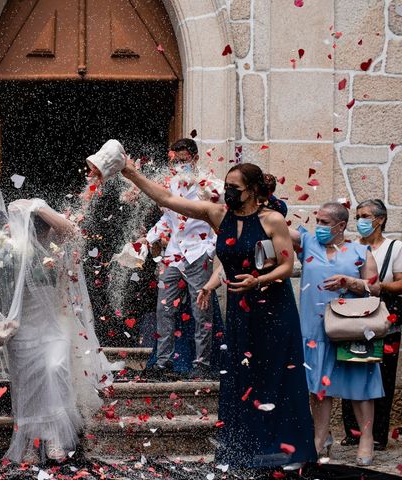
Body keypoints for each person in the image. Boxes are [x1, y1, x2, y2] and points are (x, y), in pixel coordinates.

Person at [121, 160, 315, 469]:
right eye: (225, 187)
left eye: (234, 188)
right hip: (240, 310)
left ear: (251, 192)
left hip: (273, 308)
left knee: (275, 375)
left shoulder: (273, 220)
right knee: (242, 377)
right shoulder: (217, 215)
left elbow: (285, 266)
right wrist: (131, 174)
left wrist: (257, 280)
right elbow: (168, 199)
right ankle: (245, 450)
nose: (226, 192)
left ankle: (282, 450)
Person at [0, 194, 112, 463]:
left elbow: (72, 230)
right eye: (34, 225)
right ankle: (32, 440)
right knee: (29, 383)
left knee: (55, 369)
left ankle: (55, 433)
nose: (38, 231)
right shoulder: (11, 250)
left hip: (53, 323)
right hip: (23, 326)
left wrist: (38, 206)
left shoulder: (56, 245)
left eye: (40, 226)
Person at [290, 202, 384, 466]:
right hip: (314, 331)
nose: (317, 227)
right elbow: (279, 231)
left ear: (341, 226)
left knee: (360, 386)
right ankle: (320, 439)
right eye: (317, 221)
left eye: (324, 222)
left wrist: (351, 282)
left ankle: (366, 439)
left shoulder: (359, 250)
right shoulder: (308, 243)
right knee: (318, 388)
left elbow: (375, 289)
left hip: (350, 329)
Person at [140, 138, 216, 380]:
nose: (181, 165)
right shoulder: (170, 186)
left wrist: (211, 249)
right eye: (177, 161)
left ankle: (201, 363)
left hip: (198, 252)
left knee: (200, 309)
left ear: (194, 159)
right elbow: (167, 220)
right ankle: (163, 361)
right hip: (172, 254)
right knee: (164, 308)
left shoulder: (211, 187)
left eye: (185, 160)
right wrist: (148, 239)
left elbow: (221, 218)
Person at [340, 199, 401, 452]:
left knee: (383, 377)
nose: (360, 221)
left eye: (365, 216)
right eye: (358, 216)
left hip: (384, 319)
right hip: (353, 319)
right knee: (350, 369)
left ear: (380, 219)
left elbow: (401, 282)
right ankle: (352, 432)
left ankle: (377, 435)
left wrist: (379, 286)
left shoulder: (395, 248)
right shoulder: (351, 247)